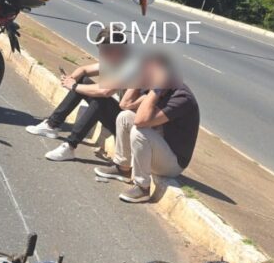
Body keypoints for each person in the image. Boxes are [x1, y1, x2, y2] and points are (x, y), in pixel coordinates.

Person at [94, 54, 200, 203]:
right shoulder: (155, 87)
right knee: (124, 117)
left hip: (173, 162)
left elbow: (140, 121)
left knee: (139, 131)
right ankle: (122, 168)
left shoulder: (181, 97)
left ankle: (142, 187)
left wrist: (156, 90)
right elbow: (124, 104)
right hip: (158, 145)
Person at [25, 26, 134, 161]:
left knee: (100, 99)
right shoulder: (116, 59)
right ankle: (51, 125)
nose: (101, 55)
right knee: (83, 81)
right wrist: (71, 79)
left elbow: (105, 91)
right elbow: (83, 70)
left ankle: (70, 146)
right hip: (119, 116)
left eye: (104, 51)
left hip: (130, 125)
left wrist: (74, 86)